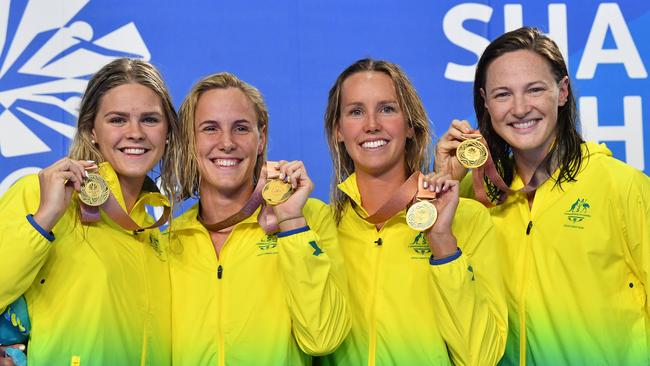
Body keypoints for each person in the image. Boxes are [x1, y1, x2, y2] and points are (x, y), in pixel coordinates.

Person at [435, 27, 650, 365]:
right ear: (486, 102)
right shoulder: (471, 197)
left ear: (562, 91)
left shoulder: (624, 187)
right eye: (503, 94)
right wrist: (445, 183)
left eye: (534, 90)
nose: (520, 108)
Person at [320, 58, 507, 365]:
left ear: (410, 125)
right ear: (338, 130)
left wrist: (443, 244)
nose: (371, 124)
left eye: (387, 109)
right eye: (356, 111)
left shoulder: (467, 219)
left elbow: (481, 357)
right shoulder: (322, 228)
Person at [0, 58, 181, 365]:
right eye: (117, 120)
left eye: (150, 119)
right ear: (91, 130)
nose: (135, 132)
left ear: (167, 133)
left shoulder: (155, 235)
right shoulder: (42, 194)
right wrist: (44, 218)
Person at [167, 72, 350, 365]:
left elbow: (323, 338)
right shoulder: (171, 241)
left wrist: (291, 223)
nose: (226, 143)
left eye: (241, 128)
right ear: (190, 140)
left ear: (261, 138)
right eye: (210, 128)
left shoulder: (310, 219)